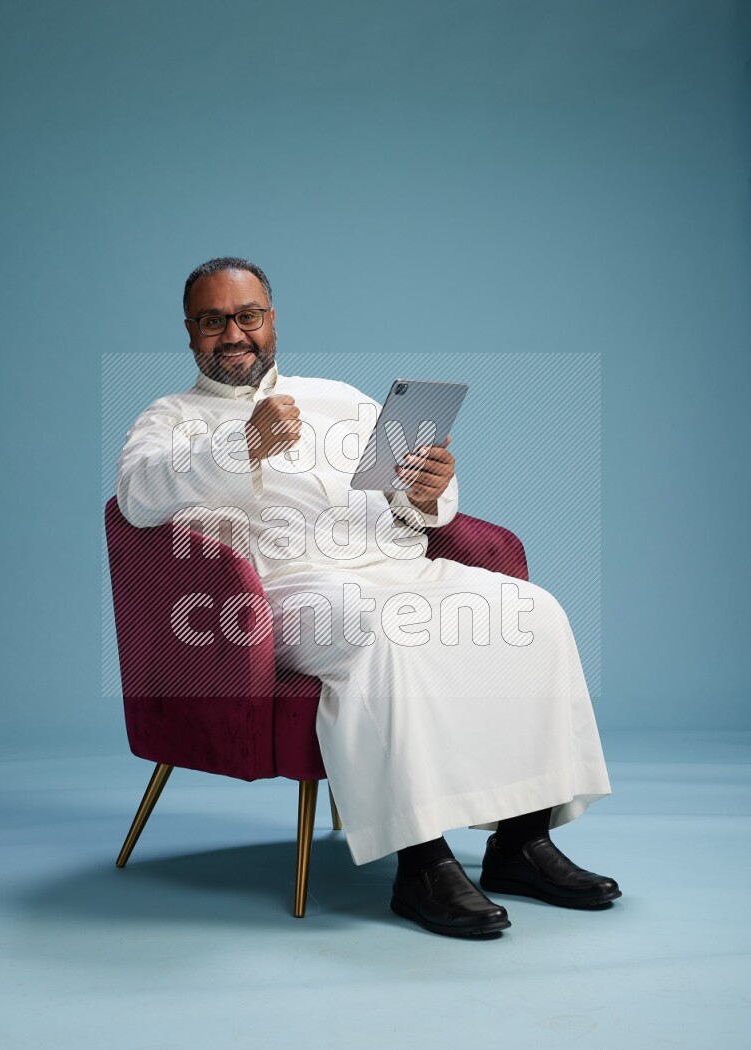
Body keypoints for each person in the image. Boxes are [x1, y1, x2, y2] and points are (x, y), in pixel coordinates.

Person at [116, 256, 621, 938]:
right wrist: (244, 444)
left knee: (534, 613)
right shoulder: (171, 418)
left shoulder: (340, 398)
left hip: (396, 563)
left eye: (247, 316)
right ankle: (422, 864)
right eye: (212, 321)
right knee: (389, 633)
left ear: (272, 321)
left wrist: (428, 492)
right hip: (286, 592)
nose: (232, 334)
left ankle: (523, 842)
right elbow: (136, 498)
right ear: (189, 331)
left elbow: (413, 504)